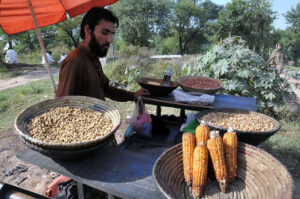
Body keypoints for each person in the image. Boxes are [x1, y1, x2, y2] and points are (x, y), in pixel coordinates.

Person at [55, 7, 149, 101]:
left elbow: (106, 89)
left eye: (112, 34)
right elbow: (61, 107)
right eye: (105, 33)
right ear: (87, 30)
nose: (110, 40)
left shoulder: (94, 58)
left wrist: (133, 95)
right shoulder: (74, 61)